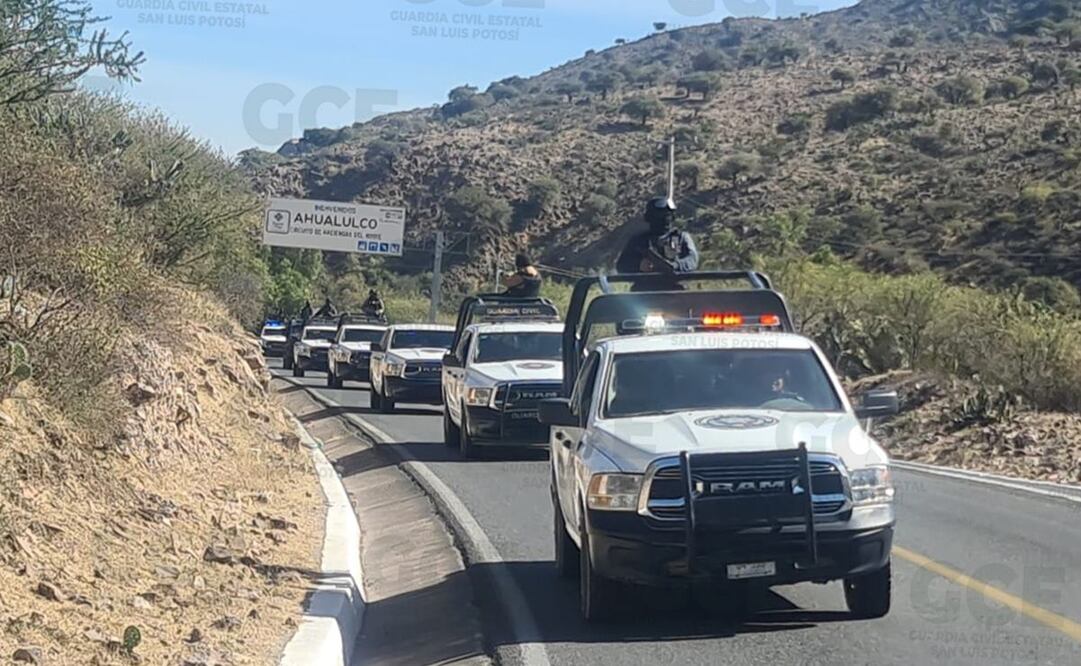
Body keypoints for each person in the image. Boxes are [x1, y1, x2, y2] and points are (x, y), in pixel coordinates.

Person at [616, 197, 699, 292]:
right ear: (650, 217)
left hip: (676, 292)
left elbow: (692, 260)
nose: (665, 219)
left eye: (668, 215)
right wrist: (639, 265)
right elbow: (622, 266)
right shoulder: (638, 240)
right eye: (660, 215)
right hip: (644, 293)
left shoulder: (681, 237)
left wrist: (675, 266)